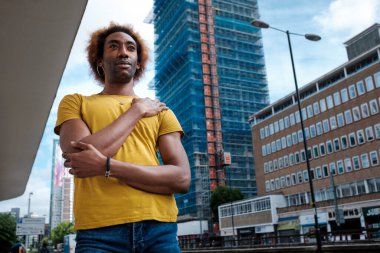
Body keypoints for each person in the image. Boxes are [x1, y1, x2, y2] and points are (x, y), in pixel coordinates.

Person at [55, 23, 190, 253]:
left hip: (159, 229)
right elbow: (77, 157)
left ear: (138, 63)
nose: (124, 52)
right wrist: (136, 111)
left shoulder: (161, 111)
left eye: (130, 48)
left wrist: (107, 166)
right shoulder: (75, 102)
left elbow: (181, 177)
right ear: (99, 61)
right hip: (98, 233)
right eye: (114, 46)